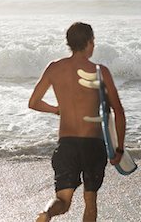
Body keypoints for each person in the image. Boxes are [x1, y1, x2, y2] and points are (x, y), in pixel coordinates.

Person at [29, 22, 126, 222]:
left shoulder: (54, 68)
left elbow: (34, 102)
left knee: (62, 200)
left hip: (67, 144)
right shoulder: (100, 71)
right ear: (89, 43)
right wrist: (119, 149)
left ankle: (46, 214)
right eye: (93, 41)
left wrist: (56, 110)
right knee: (90, 201)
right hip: (93, 144)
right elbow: (118, 111)